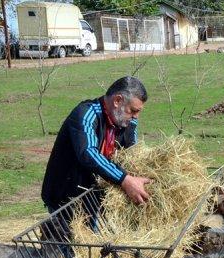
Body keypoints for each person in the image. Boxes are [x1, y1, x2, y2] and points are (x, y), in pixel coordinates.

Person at [41, 76, 152, 213]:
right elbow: (88, 153)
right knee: (65, 228)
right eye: (133, 110)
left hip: (92, 199)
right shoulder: (86, 113)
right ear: (117, 101)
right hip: (65, 198)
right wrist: (124, 179)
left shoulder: (127, 121)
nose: (136, 116)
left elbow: (132, 152)